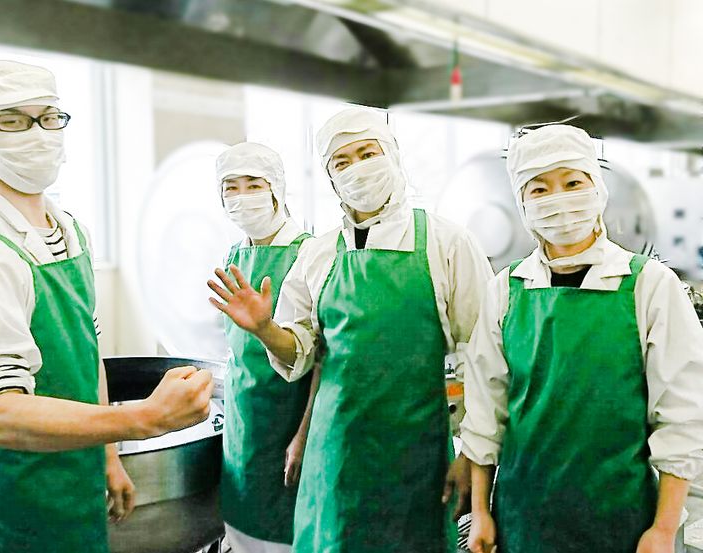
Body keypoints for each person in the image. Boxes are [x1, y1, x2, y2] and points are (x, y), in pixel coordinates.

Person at [0, 60, 213, 553]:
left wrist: (108, 455)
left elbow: (88, 352)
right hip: (16, 498)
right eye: (12, 120)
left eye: (49, 117)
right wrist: (145, 418)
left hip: (78, 480)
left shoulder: (69, 230)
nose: (38, 133)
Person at [208, 107, 493, 552]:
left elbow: (485, 359)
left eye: (367, 153)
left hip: (415, 458)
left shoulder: (446, 244)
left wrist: (472, 456)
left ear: (392, 155)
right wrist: (264, 328)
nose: (357, 168)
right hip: (334, 456)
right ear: (330, 178)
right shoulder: (320, 254)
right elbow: (301, 351)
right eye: (342, 161)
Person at [462, 124, 703, 553]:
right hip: (522, 518)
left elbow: (682, 417)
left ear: (597, 188)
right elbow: (485, 413)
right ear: (522, 203)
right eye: (539, 189)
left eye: (572, 183)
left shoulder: (648, 285)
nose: (558, 199)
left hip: (623, 520)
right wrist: (481, 510)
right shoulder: (506, 290)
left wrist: (664, 529)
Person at [213, 142, 320, 553]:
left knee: (290, 534)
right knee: (243, 530)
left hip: (289, 422)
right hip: (245, 424)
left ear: (276, 189)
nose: (242, 197)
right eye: (231, 187)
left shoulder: (311, 253)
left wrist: (304, 435)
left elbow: (324, 358)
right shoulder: (235, 254)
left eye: (253, 185)